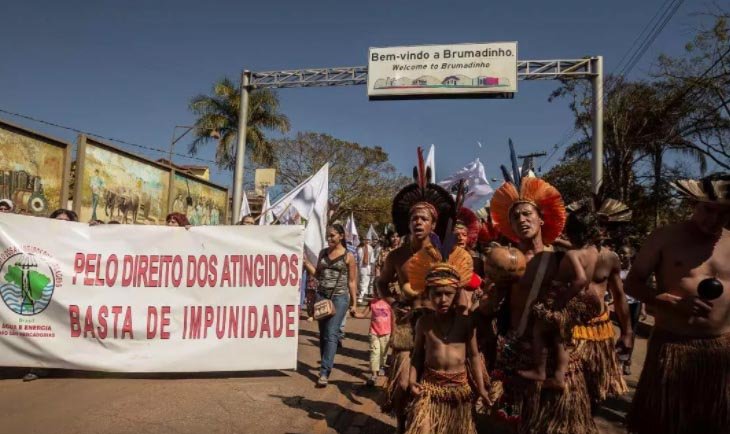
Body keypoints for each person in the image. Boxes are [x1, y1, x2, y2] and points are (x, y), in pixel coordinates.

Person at [481, 176, 597, 434]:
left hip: (557, 356)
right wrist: (490, 293)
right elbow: (489, 307)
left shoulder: (560, 259)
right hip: (518, 354)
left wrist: (562, 311)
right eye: (516, 217)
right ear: (509, 225)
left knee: (557, 425)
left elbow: (591, 304)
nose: (522, 220)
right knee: (516, 425)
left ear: (541, 218)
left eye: (527, 214)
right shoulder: (506, 260)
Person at [625, 174, 730, 434]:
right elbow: (632, 283)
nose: (714, 219)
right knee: (664, 424)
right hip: (673, 346)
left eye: (723, 213)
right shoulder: (664, 237)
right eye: (708, 209)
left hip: (721, 350)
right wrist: (661, 300)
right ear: (693, 203)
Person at [378, 173, 456, 433]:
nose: (418, 222)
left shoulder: (443, 255)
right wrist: (391, 301)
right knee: (402, 384)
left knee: (430, 384)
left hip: (437, 324)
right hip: (406, 324)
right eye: (414, 218)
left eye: (424, 218)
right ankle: (401, 426)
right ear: (408, 223)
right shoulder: (397, 256)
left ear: (434, 225)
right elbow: (381, 283)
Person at [518, 208, 604, 390]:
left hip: (559, 298)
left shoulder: (571, 256)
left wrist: (561, 300)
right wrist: (558, 241)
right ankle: (559, 375)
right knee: (560, 338)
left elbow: (580, 280)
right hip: (574, 304)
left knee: (539, 330)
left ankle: (540, 370)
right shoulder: (595, 251)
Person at [406, 262, 492, 434]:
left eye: (448, 294)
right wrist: (411, 380)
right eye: (437, 294)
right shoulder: (424, 323)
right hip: (429, 388)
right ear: (428, 294)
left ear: (456, 295)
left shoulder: (466, 324)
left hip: (459, 391)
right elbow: (417, 355)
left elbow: (474, 357)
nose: (443, 300)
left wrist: (481, 389)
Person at [568, 198, 632, 407]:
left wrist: (628, 332)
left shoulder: (610, 258)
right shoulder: (566, 256)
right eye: (596, 224)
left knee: (595, 391)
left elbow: (620, 295)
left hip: (600, 332)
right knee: (569, 391)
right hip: (570, 329)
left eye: (605, 225)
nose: (600, 230)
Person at [24, 208, 80, 382]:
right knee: (45, 328)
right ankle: (39, 366)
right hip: (48, 290)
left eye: (66, 221)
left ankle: (63, 362)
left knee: (64, 328)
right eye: (58, 220)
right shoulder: (42, 239)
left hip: (70, 292)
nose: (61, 223)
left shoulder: (80, 241)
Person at [303, 224, 358, 387]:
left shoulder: (348, 256)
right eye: (328, 235)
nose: (329, 238)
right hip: (322, 297)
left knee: (332, 333)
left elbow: (352, 281)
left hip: (339, 299)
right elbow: (318, 275)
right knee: (323, 334)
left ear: (341, 236)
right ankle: (325, 366)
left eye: (332, 235)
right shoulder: (323, 253)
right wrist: (306, 263)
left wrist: (354, 303)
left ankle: (324, 372)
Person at [352, 287, 393, 386]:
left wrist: (394, 332)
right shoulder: (372, 303)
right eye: (376, 291)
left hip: (386, 332)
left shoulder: (389, 303)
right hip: (374, 332)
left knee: (383, 353)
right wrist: (354, 314)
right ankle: (374, 374)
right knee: (374, 352)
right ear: (374, 291)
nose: (378, 294)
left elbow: (393, 319)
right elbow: (363, 314)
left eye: (380, 291)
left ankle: (382, 366)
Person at [618, 245, 644, 375]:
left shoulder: (636, 271)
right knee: (623, 332)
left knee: (631, 333)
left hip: (635, 304)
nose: (622, 256)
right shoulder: (616, 269)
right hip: (621, 304)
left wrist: (643, 309)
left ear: (631, 256)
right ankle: (620, 359)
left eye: (625, 254)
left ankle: (627, 361)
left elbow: (641, 290)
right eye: (620, 253)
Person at [356, 237, 375, 303]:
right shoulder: (358, 248)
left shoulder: (370, 248)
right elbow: (356, 258)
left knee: (364, 281)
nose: (364, 240)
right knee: (361, 281)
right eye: (363, 239)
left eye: (365, 239)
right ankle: (361, 295)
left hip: (367, 267)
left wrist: (372, 269)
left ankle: (361, 296)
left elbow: (372, 260)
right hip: (359, 266)